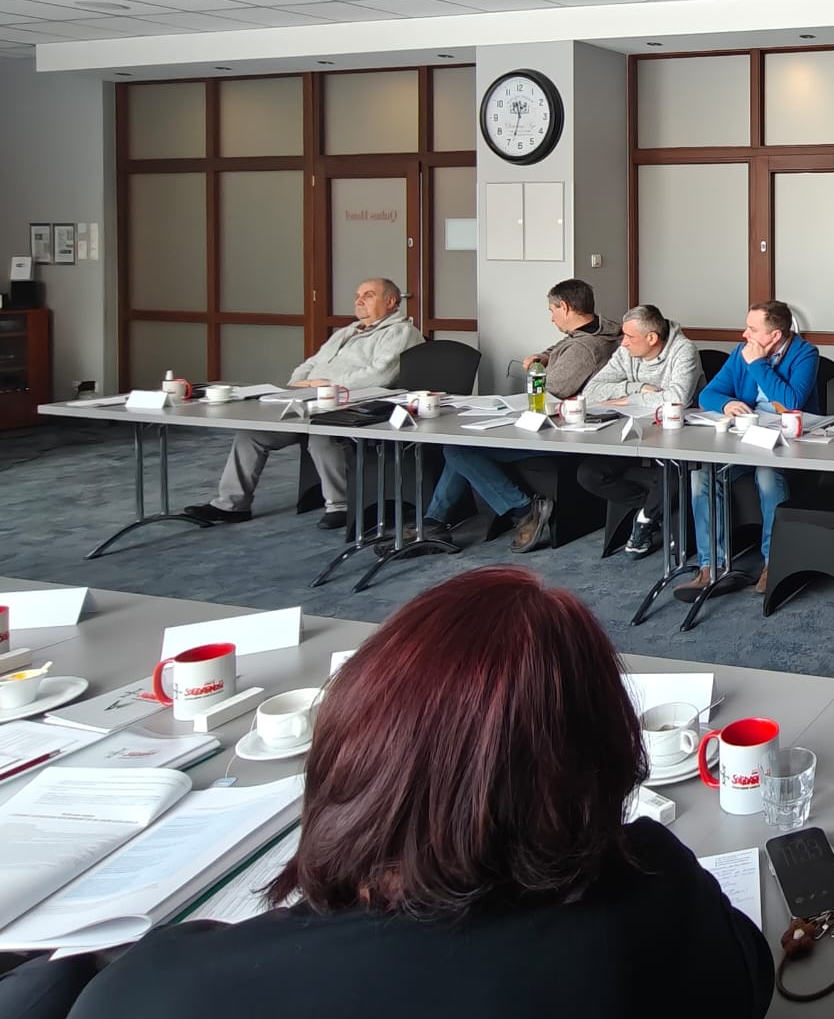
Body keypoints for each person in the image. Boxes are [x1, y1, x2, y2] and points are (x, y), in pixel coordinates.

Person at [67, 567, 773, 1019]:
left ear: (349, 754)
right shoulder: (655, 894)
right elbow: (747, 975)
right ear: (601, 759)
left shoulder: (158, 992)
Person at [185, 278, 420, 531]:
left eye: (369, 295)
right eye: (357, 295)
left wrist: (325, 385)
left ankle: (340, 505)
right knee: (252, 434)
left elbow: (380, 375)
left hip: (354, 405)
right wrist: (297, 385)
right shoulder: (348, 331)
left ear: (391, 301)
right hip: (310, 401)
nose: (359, 301)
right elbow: (311, 363)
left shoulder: (400, 332)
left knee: (322, 435)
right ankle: (231, 505)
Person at [415, 281, 619, 551]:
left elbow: (552, 389)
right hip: (563, 423)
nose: (551, 318)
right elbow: (564, 345)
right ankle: (433, 523)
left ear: (565, 307)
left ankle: (523, 509)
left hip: (559, 432)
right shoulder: (599, 329)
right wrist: (545, 356)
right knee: (459, 447)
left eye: (552, 310)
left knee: (459, 450)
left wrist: (538, 371)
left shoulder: (583, 349)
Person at [681, 301, 820, 594]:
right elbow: (708, 394)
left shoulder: (805, 354)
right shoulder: (740, 352)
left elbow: (791, 403)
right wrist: (726, 403)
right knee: (702, 474)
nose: (745, 334)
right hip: (747, 441)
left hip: (788, 444)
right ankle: (712, 565)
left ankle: (773, 561)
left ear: (775, 335)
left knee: (767, 474)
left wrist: (758, 364)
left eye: (752, 329)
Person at [575, 306, 702, 558]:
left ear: (651, 338)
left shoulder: (684, 350)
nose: (623, 342)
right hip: (632, 434)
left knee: (676, 475)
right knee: (589, 474)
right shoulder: (626, 352)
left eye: (630, 337)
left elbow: (677, 398)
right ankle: (655, 508)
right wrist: (638, 388)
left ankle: (645, 518)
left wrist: (626, 399)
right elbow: (592, 391)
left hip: (676, 438)